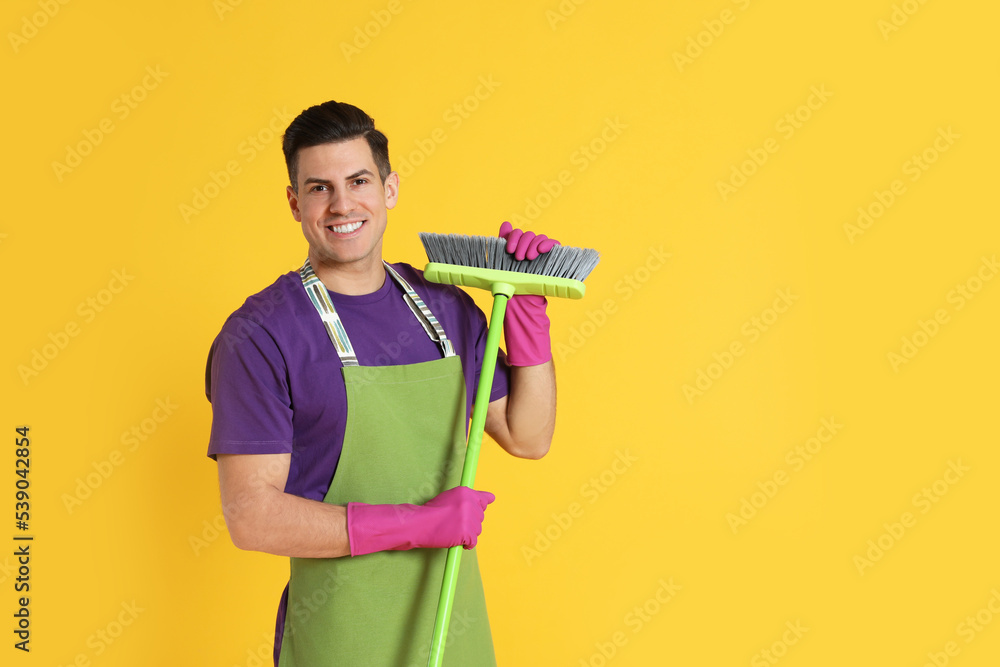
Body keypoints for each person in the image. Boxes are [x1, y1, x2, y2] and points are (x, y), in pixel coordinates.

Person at [205, 100, 559, 666]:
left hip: (454, 627)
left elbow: (528, 437)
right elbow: (251, 515)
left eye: (359, 180)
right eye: (319, 188)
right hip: (344, 637)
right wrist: (418, 524)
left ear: (389, 188)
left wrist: (530, 334)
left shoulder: (447, 307)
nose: (343, 204)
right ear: (295, 203)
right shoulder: (261, 336)